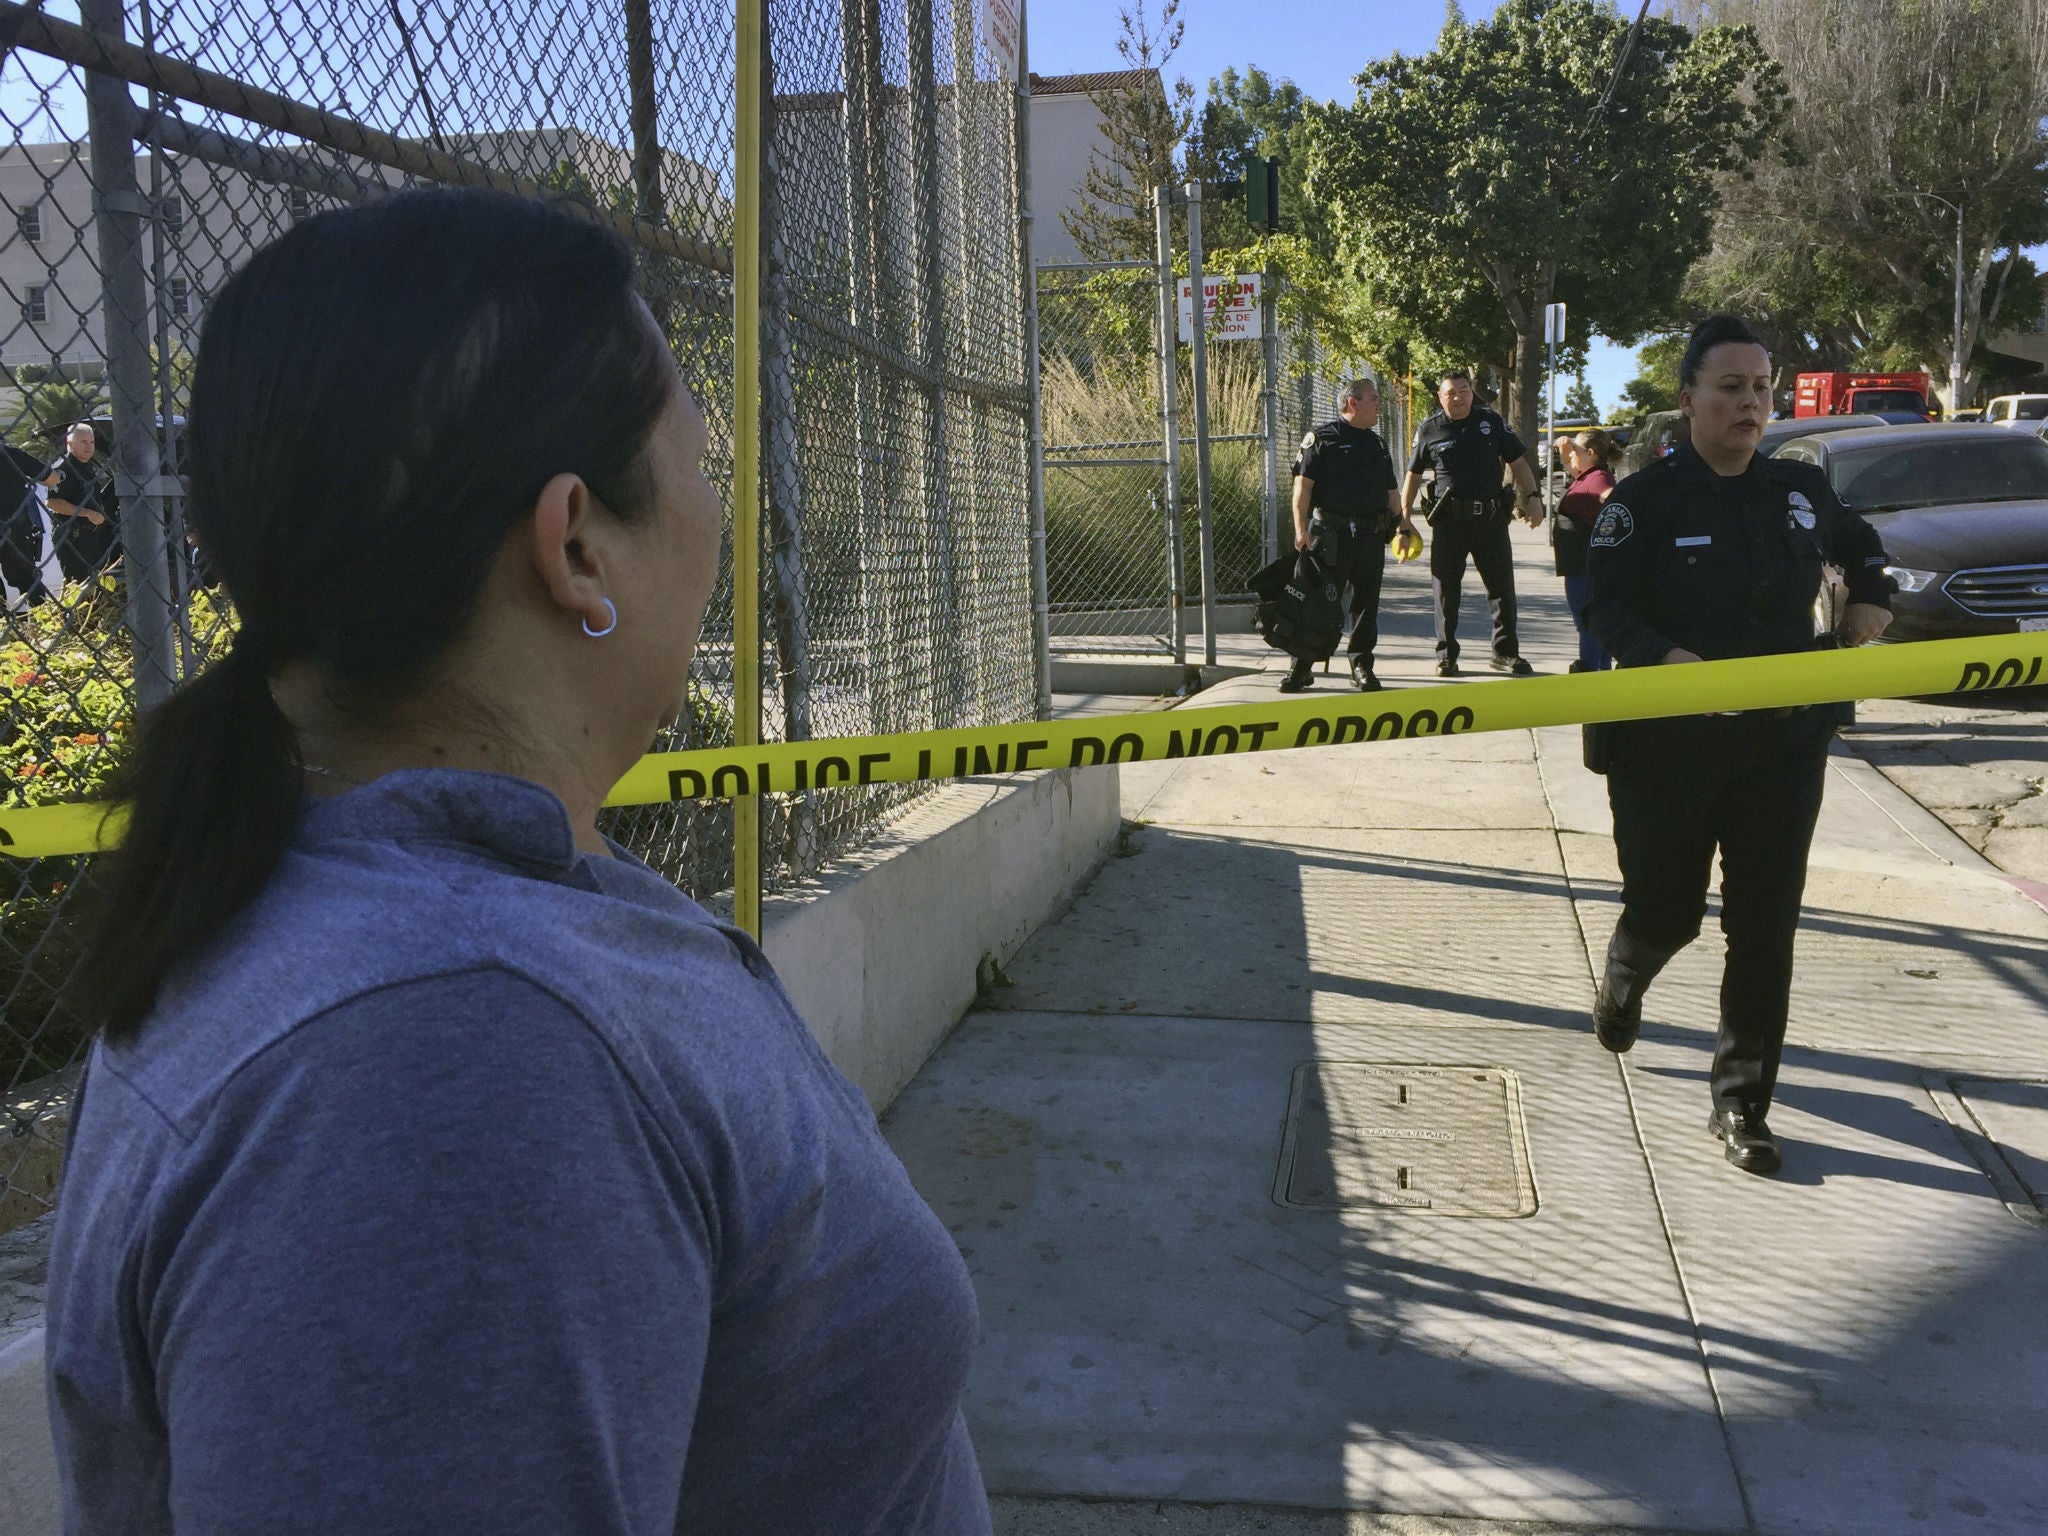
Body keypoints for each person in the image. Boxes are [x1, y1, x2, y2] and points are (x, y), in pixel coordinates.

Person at [46, 188, 992, 1535]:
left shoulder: (418, 935)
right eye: (699, 461)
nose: (719, 512)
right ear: (575, 545)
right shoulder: (447, 1057)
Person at [1584, 314, 1892, 1177]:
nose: (1750, 404)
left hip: (1784, 748)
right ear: (1688, 401)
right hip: (1666, 752)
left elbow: (1863, 544)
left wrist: (1871, 594)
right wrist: (1665, 658)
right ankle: (1625, 970)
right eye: (1731, 388)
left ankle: (1742, 1104)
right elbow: (1604, 608)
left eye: (1762, 388)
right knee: (1668, 910)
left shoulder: (1798, 491)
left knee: (1765, 928)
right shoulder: (1641, 504)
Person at [1399, 369, 1545, 677]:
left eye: (1463, 390)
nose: (1458, 397)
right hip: (1450, 524)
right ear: (1440, 398)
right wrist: (1403, 521)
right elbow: (1412, 477)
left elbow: (1518, 461)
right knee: (1446, 592)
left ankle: (1505, 653)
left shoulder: (1490, 423)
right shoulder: (1430, 430)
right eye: (1450, 393)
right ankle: (1446, 655)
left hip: (1491, 521)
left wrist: (1533, 496)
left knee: (1502, 589)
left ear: (1471, 393)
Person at [1282, 376, 1417, 692]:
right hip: (1330, 536)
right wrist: (1300, 530)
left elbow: (1391, 492)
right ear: (1353, 403)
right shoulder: (1322, 438)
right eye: (1373, 399)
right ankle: (1300, 668)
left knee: (1365, 604)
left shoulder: (1377, 443)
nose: (1378, 405)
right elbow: (1302, 488)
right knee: (1317, 603)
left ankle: (1361, 665)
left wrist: (1402, 525)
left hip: (1370, 536)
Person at [1554, 428, 1621, 672]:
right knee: (1591, 621)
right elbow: (1577, 475)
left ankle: (1590, 670)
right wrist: (1565, 454)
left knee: (1588, 622)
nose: (1571, 455)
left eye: (1576, 451)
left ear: (1590, 453)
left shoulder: (1598, 478)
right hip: (1577, 564)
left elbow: (1611, 496)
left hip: (1585, 565)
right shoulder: (1587, 475)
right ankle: (1599, 671)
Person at [41, 420, 119, 581]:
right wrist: (87, 513)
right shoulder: (64, 468)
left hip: (90, 537)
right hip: (72, 536)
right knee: (79, 585)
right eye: (83, 441)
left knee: (96, 586)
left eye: (91, 442)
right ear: (69, 443)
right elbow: (53, 502)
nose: (89, 446)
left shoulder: (87, 468)